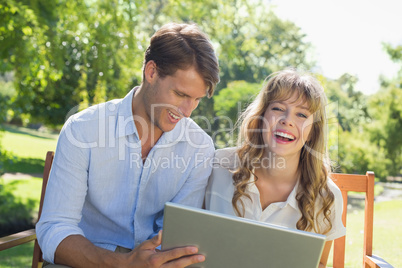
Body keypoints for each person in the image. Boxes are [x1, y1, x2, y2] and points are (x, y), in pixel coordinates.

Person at [36, 22, 220, 267]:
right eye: (181, 95)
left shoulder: (199, 149)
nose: (187, 112)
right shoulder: (83, 130)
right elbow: (54, 229)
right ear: (151, 72)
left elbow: (175, 237)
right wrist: (123, 264)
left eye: (196, 99)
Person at [205, 69, 346, 268]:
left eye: (301, 114)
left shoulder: (326, 195)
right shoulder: (219, 165)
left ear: (313, 132)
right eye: (278, 108)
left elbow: (319, 263)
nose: (287, 120)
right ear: (261, 116)